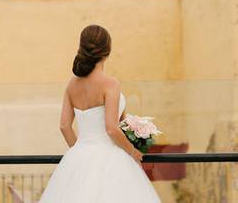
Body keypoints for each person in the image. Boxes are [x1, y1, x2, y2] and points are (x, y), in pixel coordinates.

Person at [40, 25, 160, 202]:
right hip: (111, 157)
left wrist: (80, 152)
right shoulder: (110, 84)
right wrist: (133, 151)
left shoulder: (72, 84)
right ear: (107, 51)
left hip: (78, 155)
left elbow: (64, 126)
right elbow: (111, 128)